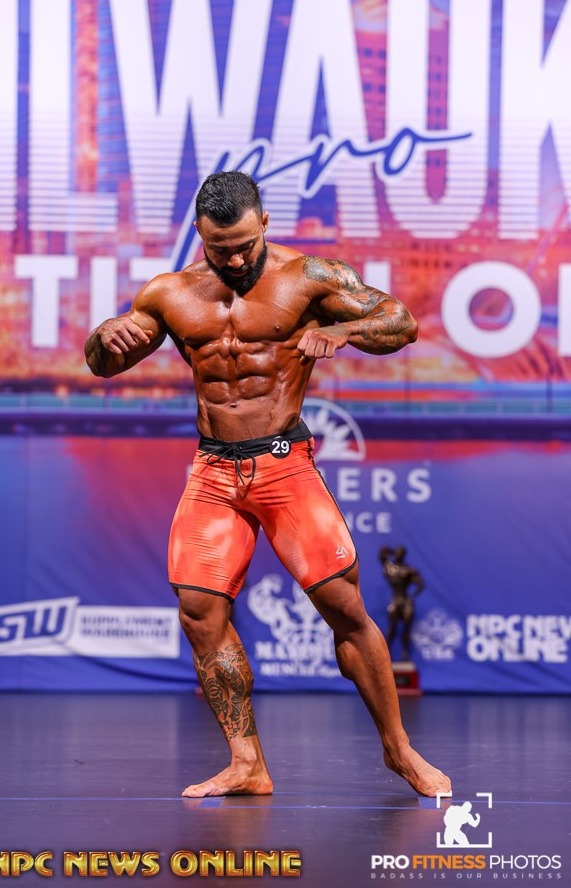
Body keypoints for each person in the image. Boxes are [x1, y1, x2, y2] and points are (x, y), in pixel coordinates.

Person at [85, 170, 451, 799]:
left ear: (265, 224)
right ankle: (247, 762)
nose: (234, 259)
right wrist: (102, 338)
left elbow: (402, 321)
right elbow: (105, 364)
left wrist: (342, 331)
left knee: (344, 608)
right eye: (219, 248)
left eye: (245, 245)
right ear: (199, 234)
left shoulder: (308, 277)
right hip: (214, 471)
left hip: (284, 465)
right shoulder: (170, 294)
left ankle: (399, 750)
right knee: (199, 613)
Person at [380, 545, 424, 661]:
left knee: (406, 629)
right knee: (392, 628)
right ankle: (385, 654)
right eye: (397, 552)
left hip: (406, 600)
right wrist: (390, 550)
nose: (398, 554)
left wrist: (413, 595)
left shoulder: (409, 570)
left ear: (404, 555)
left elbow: (420, 584)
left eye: (400, 553)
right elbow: (382, 554)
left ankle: (405, 653)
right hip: (395, 599)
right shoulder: (390, 568)